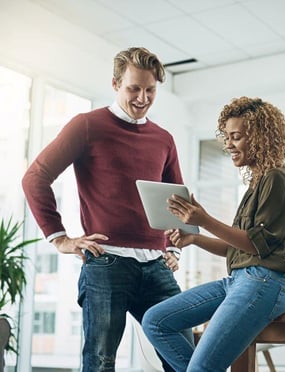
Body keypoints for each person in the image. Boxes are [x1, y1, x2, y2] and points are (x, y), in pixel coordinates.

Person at [21, 47, 192, 371]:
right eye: (133, 88)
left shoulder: (164, 139)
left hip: (157, 267)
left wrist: (174, 248)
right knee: (100, 362)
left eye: (150, 90)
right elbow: (35, 178)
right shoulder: (87, 126)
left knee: (186, 358)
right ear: (115, 84)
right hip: (106, 264)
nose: (142, 97)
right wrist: (61, 238)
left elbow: (177, 202)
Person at [142, 96, 285, 372]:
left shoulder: (278, 179)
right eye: (227, 137)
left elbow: (256, 246)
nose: (228, 144)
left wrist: (203, 219)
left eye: (236, 137)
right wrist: (194, 237)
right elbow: (240, 248)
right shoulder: (258, 182)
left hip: (266, 282)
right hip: (241, 280)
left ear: (260, 139)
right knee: (156, 321)